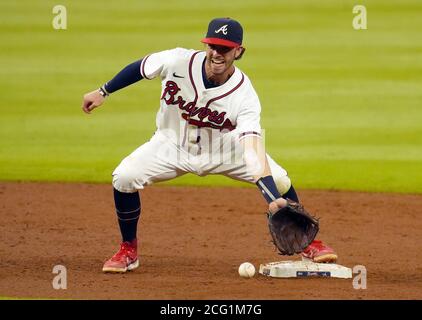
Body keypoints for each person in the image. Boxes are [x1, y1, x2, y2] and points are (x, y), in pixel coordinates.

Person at [82, 18, 337, 273]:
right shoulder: (177, 60)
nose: (216, 53)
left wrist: (272, 198)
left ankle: (308, 244)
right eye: (212, 45)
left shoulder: (245, 95)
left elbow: (252, 148)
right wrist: (103, 92)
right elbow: (141, 67)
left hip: (224, 151)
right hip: (170, 144)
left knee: (279, 181)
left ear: (239, 51)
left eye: (224, 48)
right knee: (124, 177)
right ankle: (129, 249)